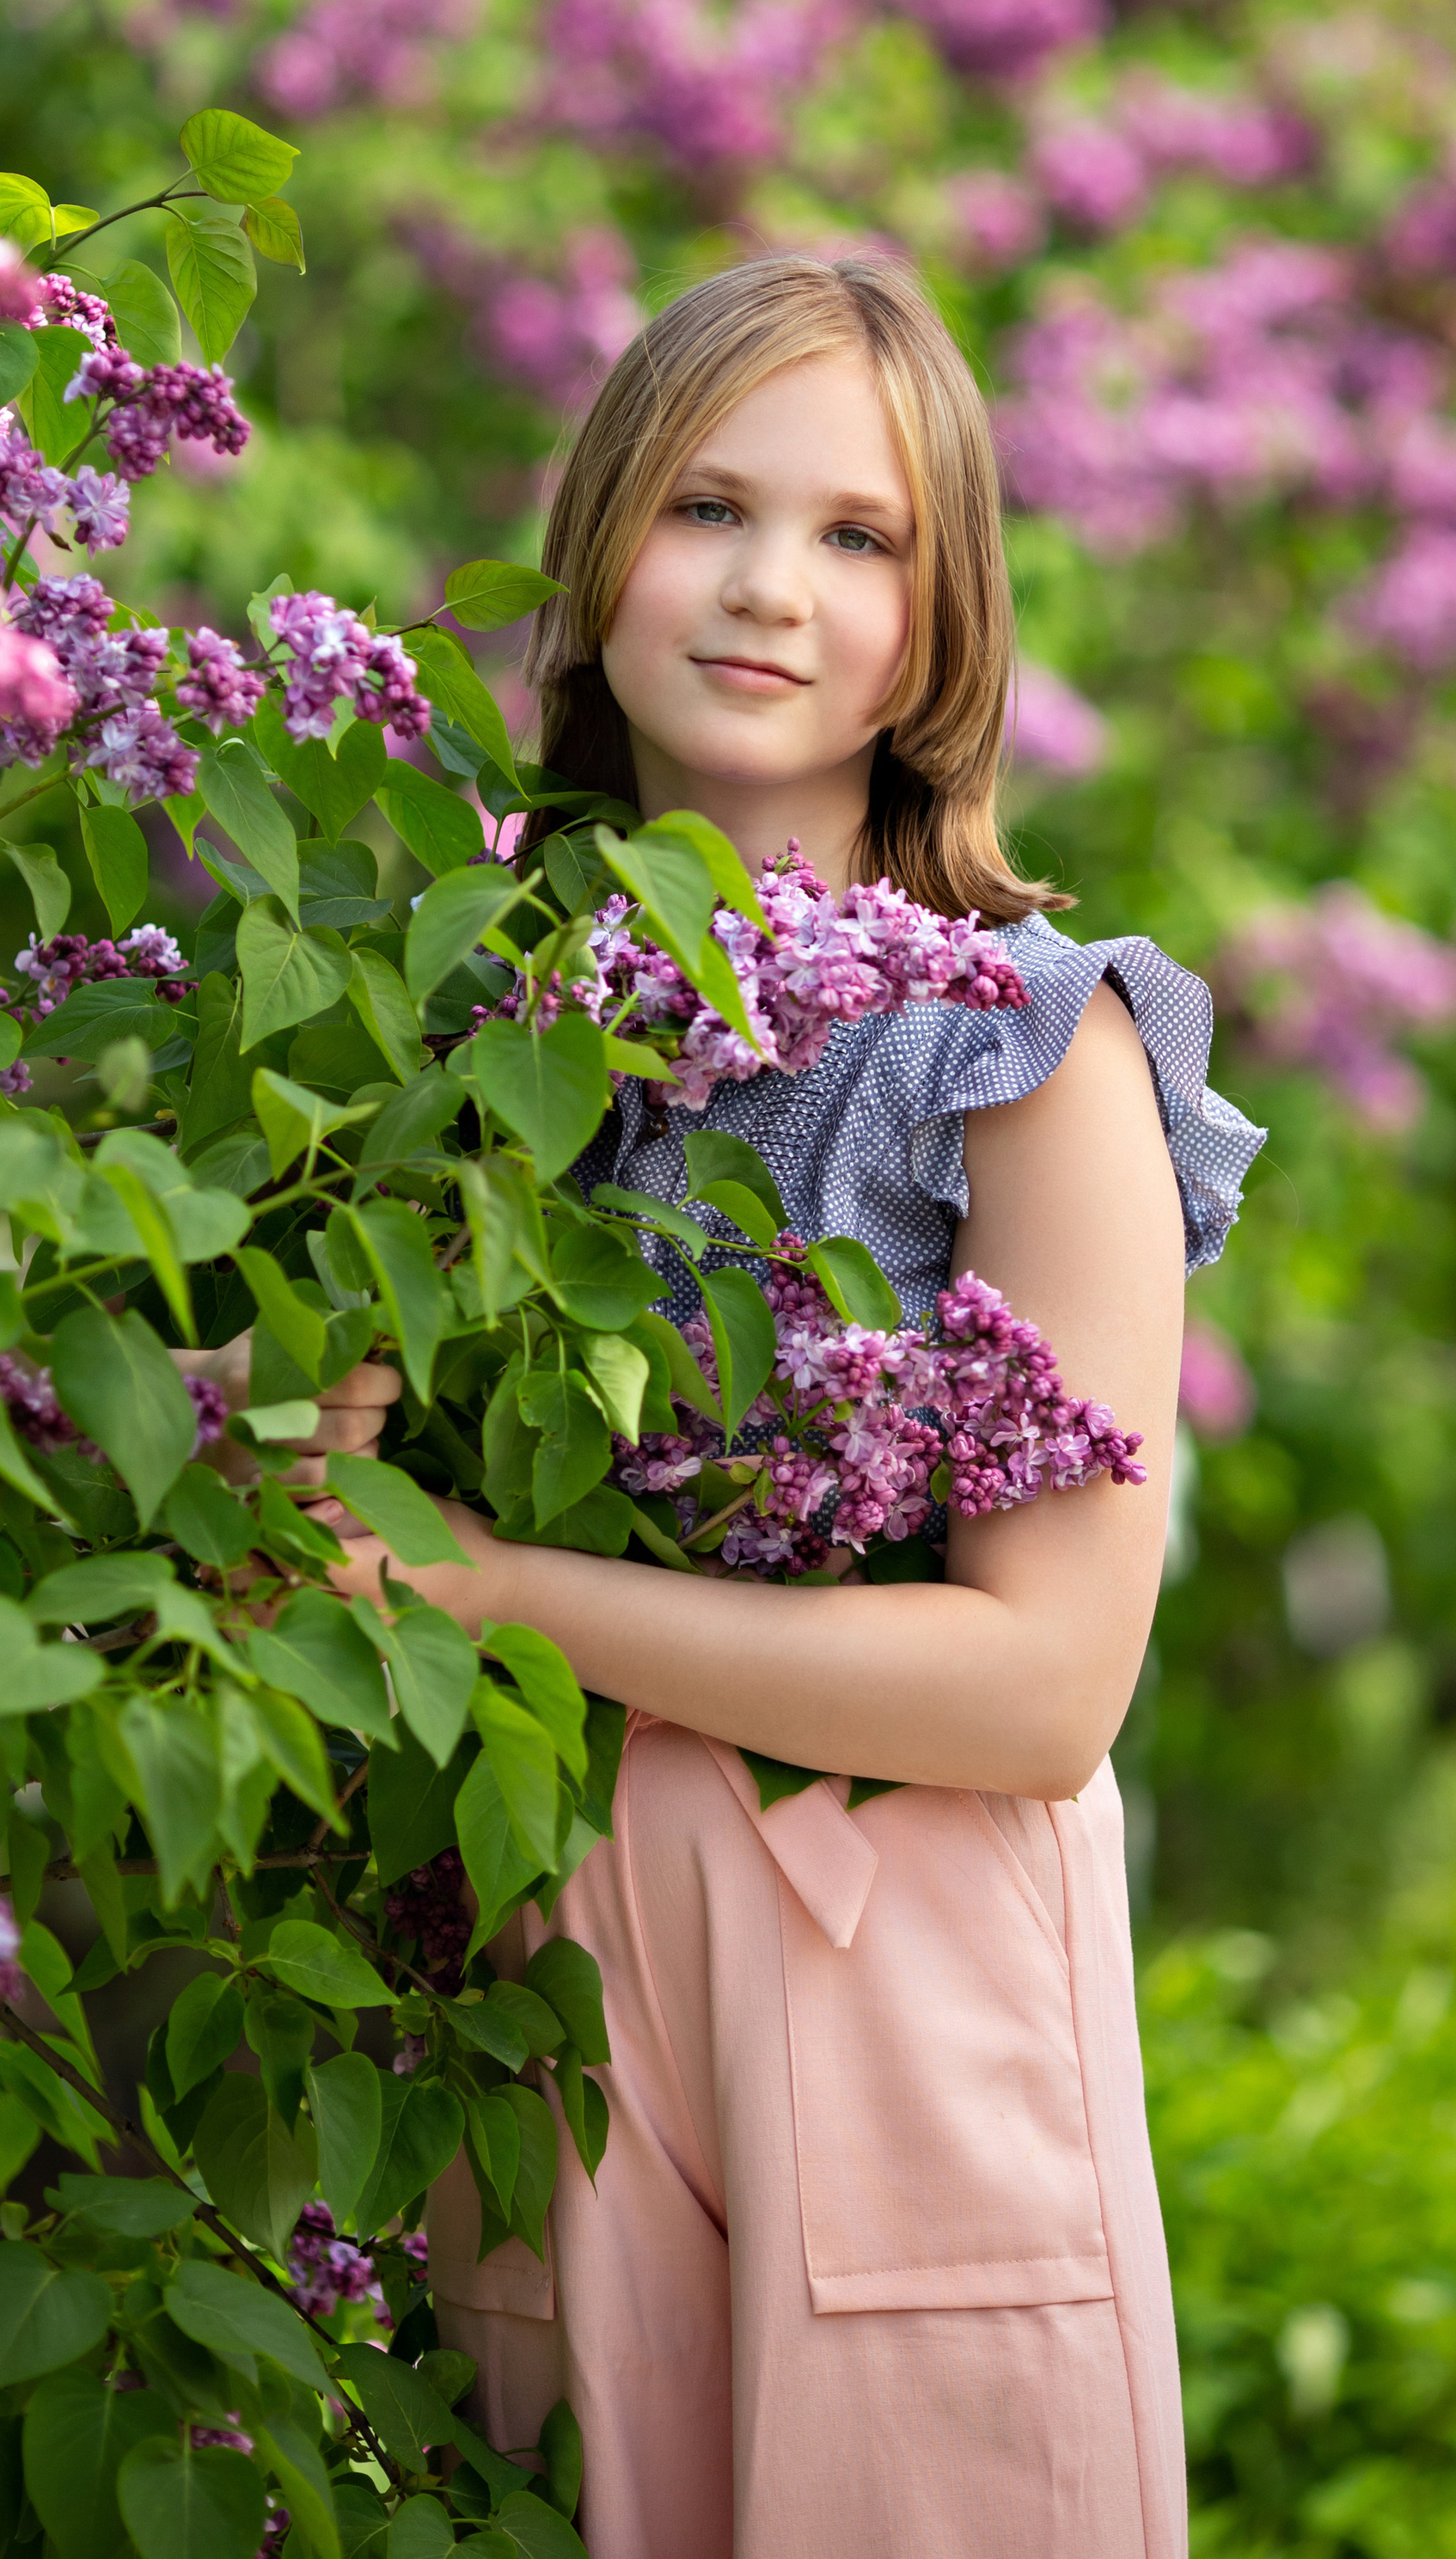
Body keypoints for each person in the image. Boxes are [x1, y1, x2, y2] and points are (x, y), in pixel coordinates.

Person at [193, 255, 1263, 2559]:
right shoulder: (461, 1030)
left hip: (895, 2011)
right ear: (599, 550)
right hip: (536, 2011)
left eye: (859, 535)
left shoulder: (1028, 1055)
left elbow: (1047, 1688)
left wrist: (492, 1592)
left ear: (939, 621)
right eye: (707, 506)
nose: (773, 584)